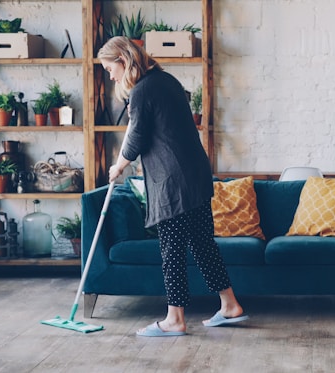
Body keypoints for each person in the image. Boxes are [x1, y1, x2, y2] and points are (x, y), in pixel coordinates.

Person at [99, 36, 249, 337]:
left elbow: (138, 137)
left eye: (109, 68)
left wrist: (119, 166)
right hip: (195, 175)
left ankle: (174, 319)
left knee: (172, 251)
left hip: (174, 183)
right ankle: (229, 304)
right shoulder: (165, 81)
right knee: (203, 245)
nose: (110, 75)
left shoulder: (143, 91)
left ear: (123, 61)